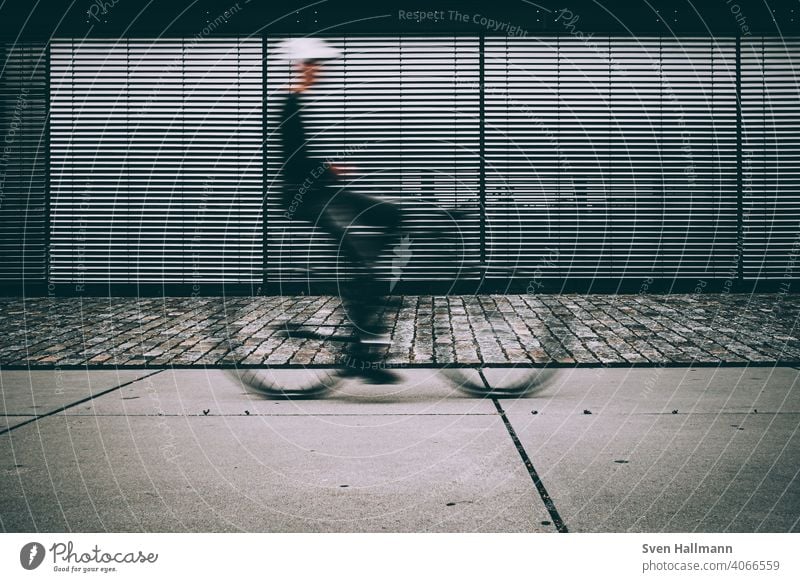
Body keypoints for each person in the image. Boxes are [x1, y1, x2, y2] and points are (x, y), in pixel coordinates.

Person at [276, 38, 402, 383]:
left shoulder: (297, 102)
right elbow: (294, 162)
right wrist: (330, 168)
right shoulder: (290, 103)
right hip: (306, 198)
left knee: (392, 216)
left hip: (321, 193)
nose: (321, 71)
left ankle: (374, 288)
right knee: (361, 265)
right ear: (301, 66)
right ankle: (360, 354)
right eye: (315, 64)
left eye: (321, 64)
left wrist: (330, 170)